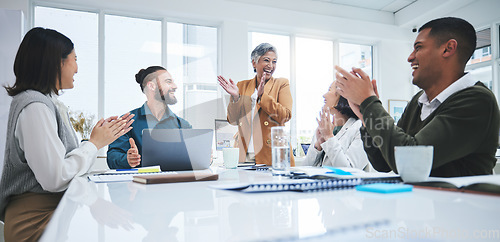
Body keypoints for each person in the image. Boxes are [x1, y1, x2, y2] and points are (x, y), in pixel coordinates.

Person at [0, 27, 134, 241]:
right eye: (75, 59)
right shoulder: (35, 106)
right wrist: (93, 144)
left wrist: (95, 140)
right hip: (35, 223)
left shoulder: (44, 103)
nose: (77, 68)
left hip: (48, 216)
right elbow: (55, 177)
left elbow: (63, 167)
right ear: (55, 63)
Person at [335, 17, 500, 177]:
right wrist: (366, 118)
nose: (410, 57)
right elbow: (382, 163)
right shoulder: (418, 101)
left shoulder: (476, 100)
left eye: (418, 47)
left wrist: (369, 102)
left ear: (448, 48)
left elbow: (410, 161)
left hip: (459, 203)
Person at [218, 43, 294, 166]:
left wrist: (262, 96)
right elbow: (232, 120)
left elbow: (285, 116)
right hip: (245, 155)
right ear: (254, 62)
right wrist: (236, 98)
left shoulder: (281, 84)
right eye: (266, 60)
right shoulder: (242, 86)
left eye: (274, 61)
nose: (271, 65)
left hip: (271, 154)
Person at [107, 66, 192, 169]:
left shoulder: (182, 125)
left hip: (173, 182)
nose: (175, 86)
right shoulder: (127, 122)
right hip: (139, 183)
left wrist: (204, 158)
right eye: (168, 82)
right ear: (152, 86)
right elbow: (112, 157)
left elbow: (193, 156)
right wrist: (127, 159)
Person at [303, 81, 370, 170]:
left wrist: (329, 137)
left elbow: (350, 171)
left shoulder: (361, 129)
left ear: (342, 96)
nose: (324, 95)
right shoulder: (325, 128)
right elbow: (305, 169)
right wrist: (318, 146)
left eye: (329, 90)